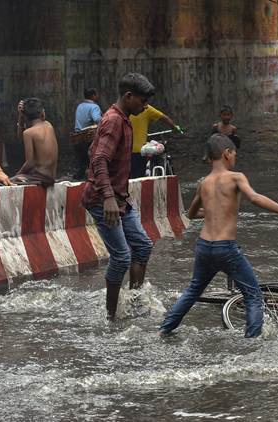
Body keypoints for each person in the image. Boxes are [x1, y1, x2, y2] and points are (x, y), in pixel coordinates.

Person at [159, 134, 278, 337]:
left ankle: (164, 329)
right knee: (253, 295)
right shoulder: (236, 177)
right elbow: (255, 198)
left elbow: (192, 214)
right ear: (227, 154)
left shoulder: (204, 183)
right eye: (234, 154)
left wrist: (213, 212)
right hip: (226, 248)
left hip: (204, 246)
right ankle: (252, 341)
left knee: (193, 291)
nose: (235, 158)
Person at [81, 73, 156, 320]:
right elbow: (99, 158)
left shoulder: (124, 119)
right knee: (122, 257)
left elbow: (99, 154)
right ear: (128, 96)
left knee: (143, 245)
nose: (145, 106)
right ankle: (111, 316)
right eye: (142, 101)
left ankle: (134, 303)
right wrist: (109, 197)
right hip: (104, 200)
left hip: (120, 199)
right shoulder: (113, 120)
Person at [11, 98, 58, 187]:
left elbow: (30, 163)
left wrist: (16, 175)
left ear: (26, 117)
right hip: (51, 177)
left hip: (40, 178)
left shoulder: (28, 133)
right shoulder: (49, 125)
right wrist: (21, 116)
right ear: (42, 113)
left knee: (5, 182)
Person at [129, 104, 176, 179]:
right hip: (139, 151)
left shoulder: (123, 110)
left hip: (124, 152)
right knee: (139, 179)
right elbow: (164, 118)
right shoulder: (146, 108)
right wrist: (174, 127)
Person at [73, 88, 102, 180]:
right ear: (93, 96)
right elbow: (97, 119)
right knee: (91, 163)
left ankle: (77, 181)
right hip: (88, 138)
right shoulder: (94, 107)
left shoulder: (80, 106)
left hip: (77, 137)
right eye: (96, 94)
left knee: (82, 163)